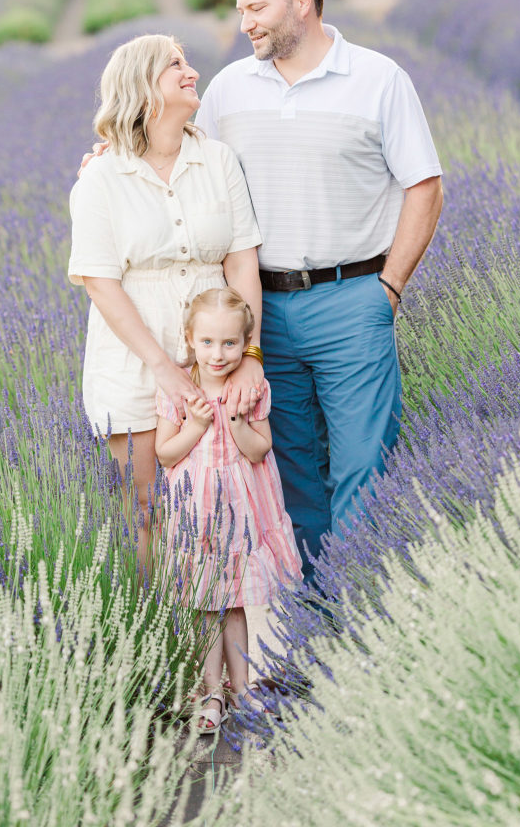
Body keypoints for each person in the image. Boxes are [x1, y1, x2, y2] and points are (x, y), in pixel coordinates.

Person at [194, 0, 444, 579]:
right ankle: (316, 620)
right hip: (261, 313)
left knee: (365, 465)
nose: (245, 21)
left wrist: (387, 289)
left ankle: (366, 611)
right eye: (241, 8)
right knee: (291, 468)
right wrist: (107, 155)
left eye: (258, 7)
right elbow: (184, 167)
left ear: (300, 1)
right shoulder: (227, 90)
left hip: (352, 298)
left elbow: (425, 186)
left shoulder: (378, 78)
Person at [68, 34, 264, 568]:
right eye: (176, 64)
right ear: (142, 86)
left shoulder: (218, 160)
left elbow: (242, 260)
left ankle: (225, 638)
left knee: (217, 509)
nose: (192, 71)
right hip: (132, 368)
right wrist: (163, 368)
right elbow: (100, 282)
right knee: (149, 512)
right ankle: (169, 642)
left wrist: (250, 357)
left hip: (215, 363)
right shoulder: (101, 178)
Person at [155, 287, 302, 732]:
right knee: (204, 603)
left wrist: (234, 419)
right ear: (189, 339)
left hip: (241, 503)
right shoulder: (178, 390)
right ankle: (211, 693)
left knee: (235, 600)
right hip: (197, 506)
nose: (218, 354)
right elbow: (165, 454)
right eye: (207, 343)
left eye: (230, 343)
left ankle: (242, 689)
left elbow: (260, 450)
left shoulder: (252, 388)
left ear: (246, 343)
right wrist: (198, 424)